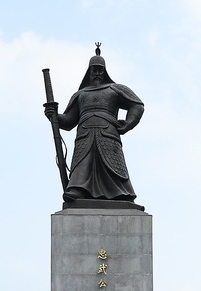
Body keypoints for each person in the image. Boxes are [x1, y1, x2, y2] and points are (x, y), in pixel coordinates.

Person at [43, 44, 145, 203]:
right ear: (88, 72)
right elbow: (69, 121)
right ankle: (77, 189)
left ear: (105, 71)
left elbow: (137, 105)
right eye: (94, 69)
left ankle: (120, 194)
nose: (97, 73)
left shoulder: (115, 89)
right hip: (84, 133)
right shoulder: (80, 94)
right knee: (83, 162)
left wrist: (128, 123)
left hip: (108, 133)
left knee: (112, 165)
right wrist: (54, 116)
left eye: (100, 70)